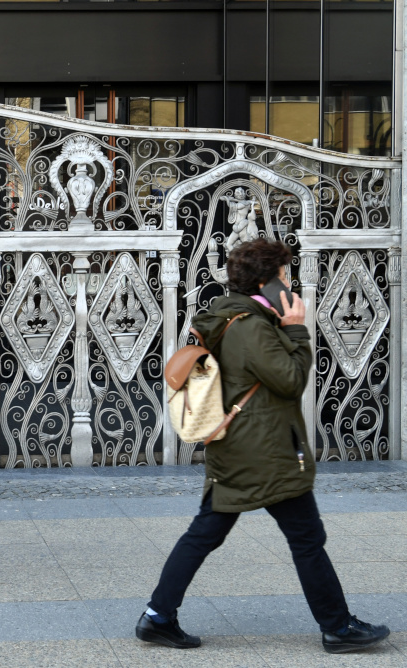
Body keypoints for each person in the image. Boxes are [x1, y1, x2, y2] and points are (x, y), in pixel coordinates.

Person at [136, 239, 389, 654]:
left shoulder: (240, 316)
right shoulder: (251, 326)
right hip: (264, 453)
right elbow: (290, 380)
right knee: (306, 538)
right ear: (265, 282)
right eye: (284, 276)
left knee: (206, 533)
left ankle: (158, 616)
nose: (289, 283)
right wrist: (296, 329)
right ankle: (338, 628)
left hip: (243, 449)